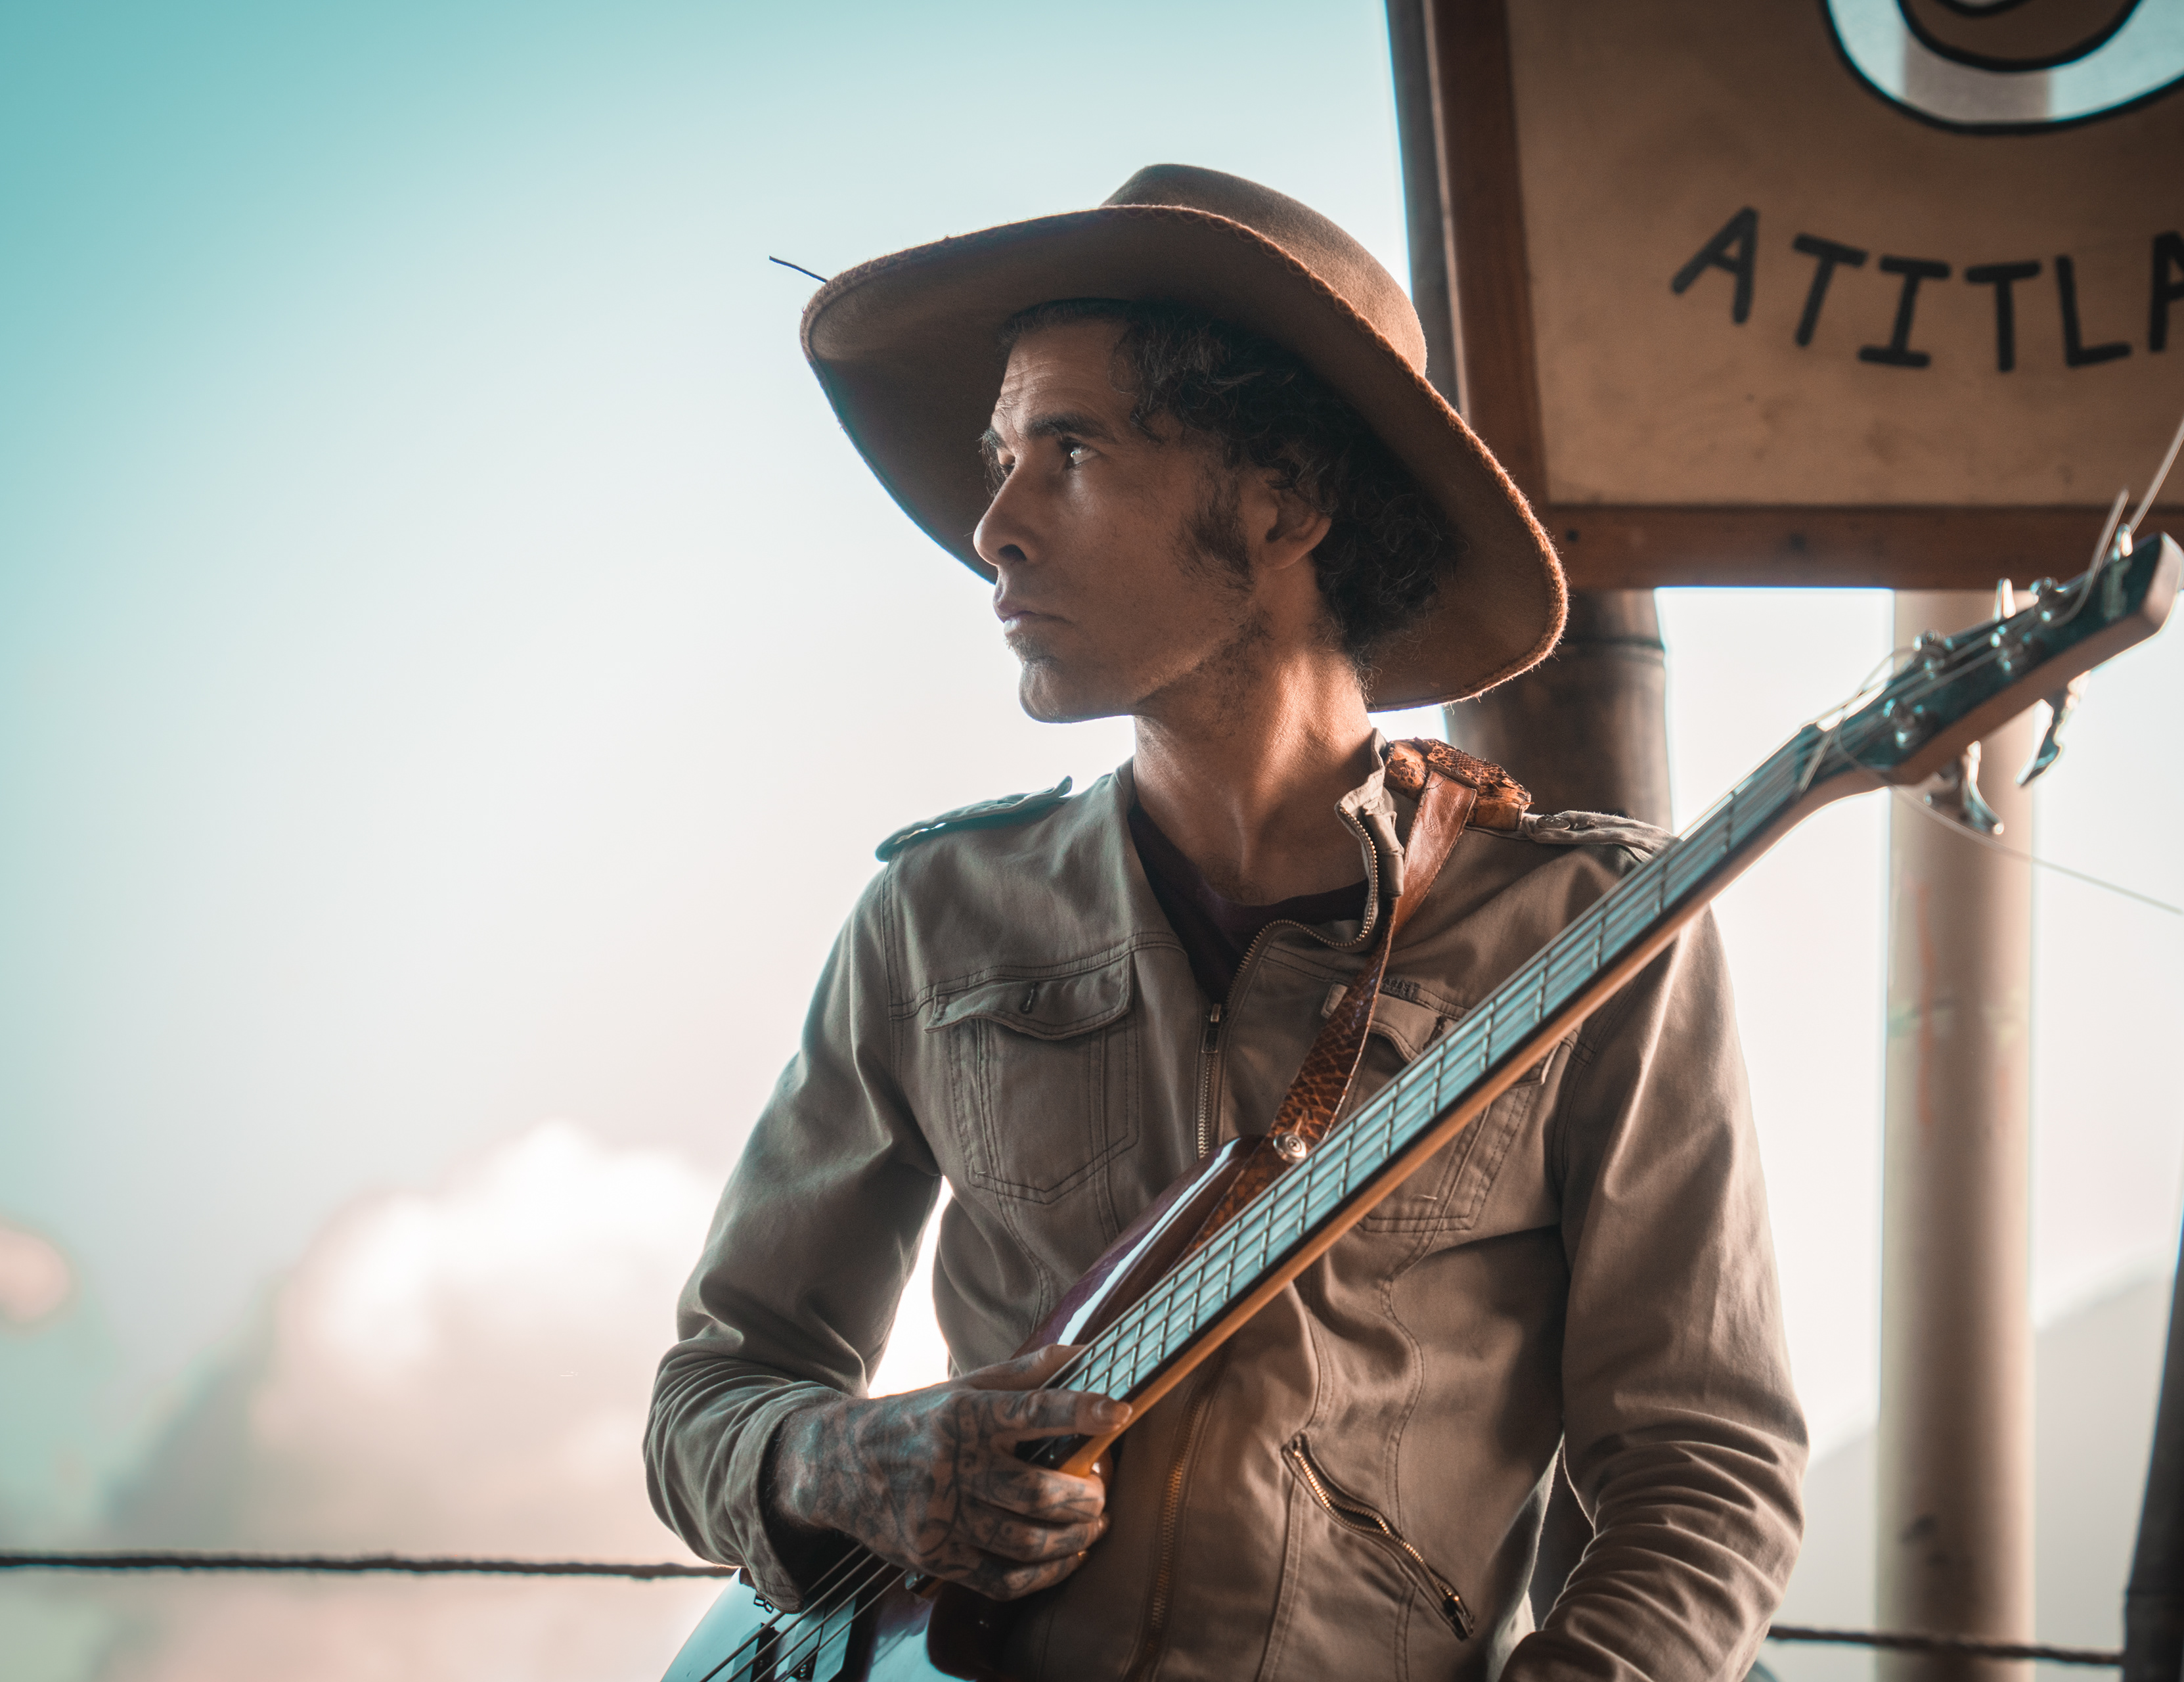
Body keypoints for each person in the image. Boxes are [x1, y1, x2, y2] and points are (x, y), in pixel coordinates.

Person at [646, 164, 1804, 1681]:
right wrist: (839, 1460)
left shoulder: (1588, 935)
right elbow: (715, 1391)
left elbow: (1704, 1468)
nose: (993, 527)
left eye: (1067, 449)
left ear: (1284, 496)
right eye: (1000, 458)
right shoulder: (932, 916)